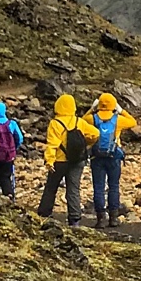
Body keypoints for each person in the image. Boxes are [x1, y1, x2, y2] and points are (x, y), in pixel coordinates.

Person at [38, 93, 99, 225]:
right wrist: (86, 143)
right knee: (73, 189)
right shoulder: (79, 122)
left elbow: (52, 145)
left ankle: (44, 214)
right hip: (77, 160)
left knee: (51, 188)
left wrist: (49, 161)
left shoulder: (55, 123)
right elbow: (95, 133)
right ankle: (75, 219)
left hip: (59, 161)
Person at [84, 92, 139, 228]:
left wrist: (92, 108)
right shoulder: (118, 119)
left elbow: (82, 121)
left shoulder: (92, 119)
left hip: (96, 157)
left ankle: (101, 219)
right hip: (114, 156)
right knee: (113, 186)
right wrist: (121, 110)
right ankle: (113, 218)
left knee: (99, 187)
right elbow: (133, 122)